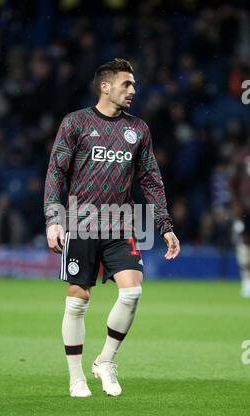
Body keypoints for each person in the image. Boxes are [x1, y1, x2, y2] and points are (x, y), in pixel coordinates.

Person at [44, 58, 180, 398]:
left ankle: (105, 360)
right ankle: (76, 377)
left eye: (133, 85)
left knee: (132, 292)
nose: (133, 90)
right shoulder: (75, 123)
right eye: (126, 84)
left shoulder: (139, 130)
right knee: (78, 300)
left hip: (121, 224)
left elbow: (151, 180)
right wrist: (53, 219)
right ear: (105, 86)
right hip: (82, 222)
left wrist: (164, 225)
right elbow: (56, 172)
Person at [230, 144, 250, 297]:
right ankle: (246, 281)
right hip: (246, 209)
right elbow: (232, 181)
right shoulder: (243, 156)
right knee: (245, 241)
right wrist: (236, 204)